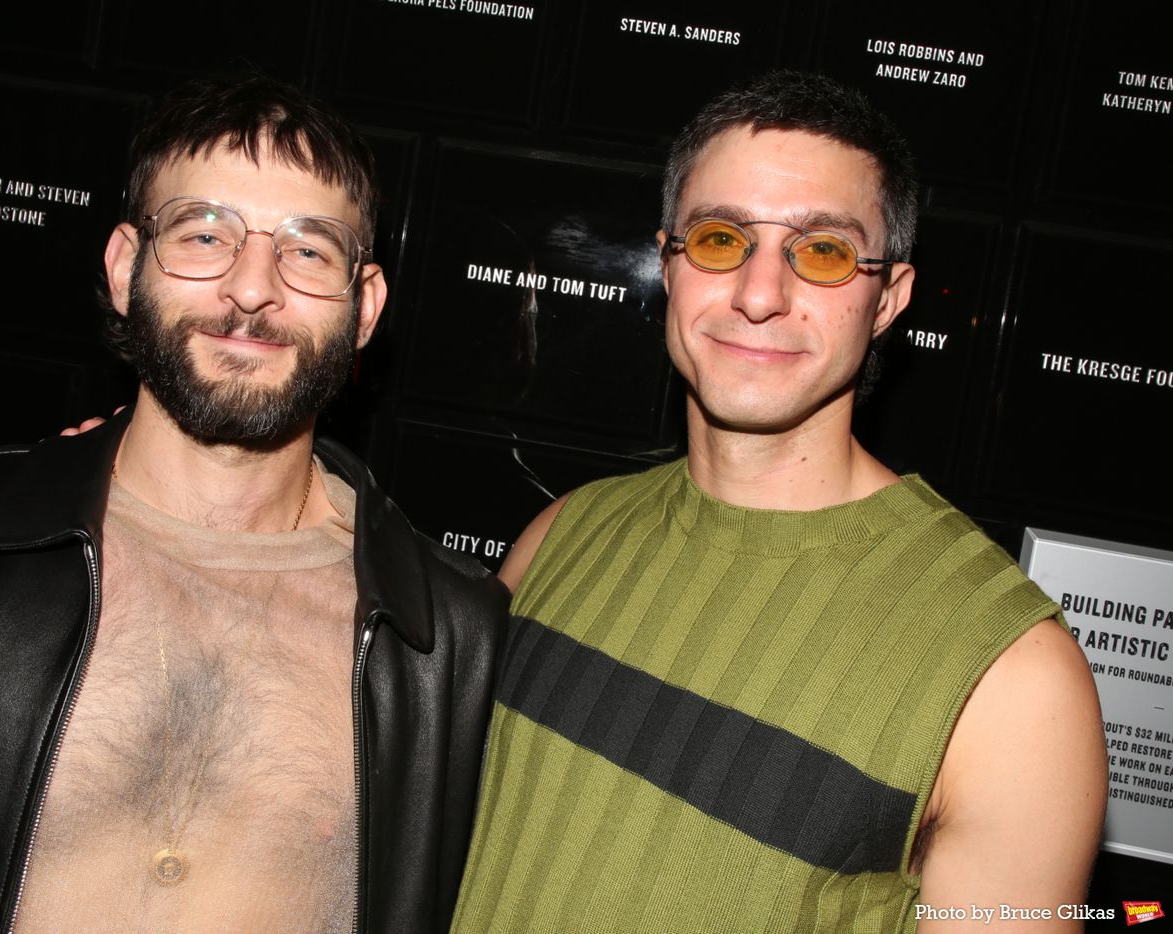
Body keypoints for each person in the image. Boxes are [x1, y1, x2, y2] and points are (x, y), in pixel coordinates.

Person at [0, 76, 506, 934]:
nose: (250, 288)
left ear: (365, 305)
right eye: (204, 234)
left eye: (308, 250)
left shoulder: (445, 640)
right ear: (126, 267)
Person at [452, 71, 1106, 932]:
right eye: (722, 238)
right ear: (668, 264)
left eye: (824, 251)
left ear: (889, 300)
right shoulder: (561, 536)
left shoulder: (1015, 683)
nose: (760, 295)